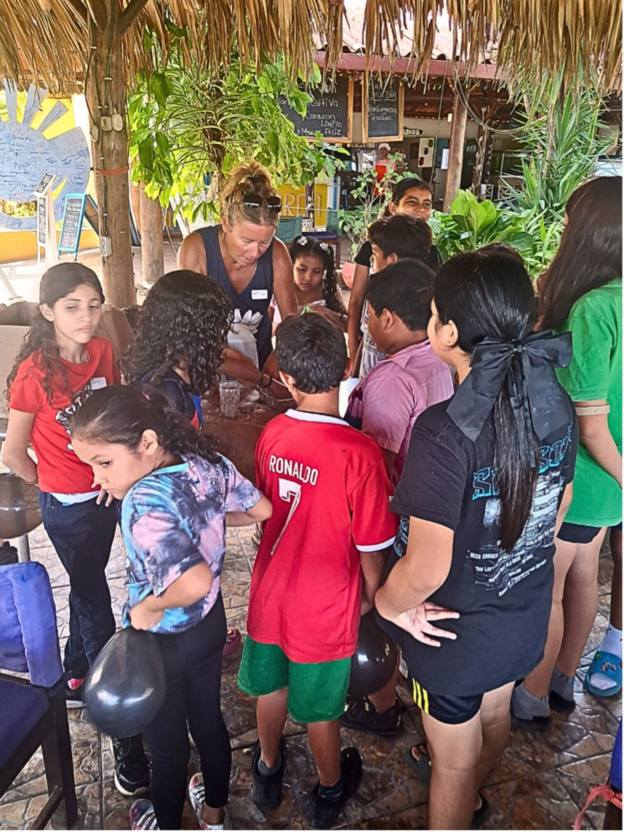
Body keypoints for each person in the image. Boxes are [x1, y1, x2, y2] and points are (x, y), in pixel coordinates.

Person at [375, 248, 578, 830]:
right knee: (496, 714)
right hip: (522, 622)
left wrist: (389, 606)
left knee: (452, 768)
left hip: (453, 638)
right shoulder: (555, 403)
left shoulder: (443, 432)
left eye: (435, 314)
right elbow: (557, 507)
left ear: (449, 333)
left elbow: (426, 571)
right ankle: (475, 797)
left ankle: (462, 802)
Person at [70, 385, 272, 832]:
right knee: (208, 721)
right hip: (210, 623)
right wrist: (211, 523)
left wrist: (149, 607)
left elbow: (192, 579)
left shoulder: (144, 503)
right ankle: (215, 818)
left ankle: (166, 824)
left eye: (103, 464)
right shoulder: (203, 461)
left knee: (166, 750)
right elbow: (261, 509)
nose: (96, 479)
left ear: (146, 443)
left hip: (161, 643)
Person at [237, 314, 398, 829]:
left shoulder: (273, 433)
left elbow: (268, 507)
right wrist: (375, 595)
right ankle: (330, 790)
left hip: (270, 591)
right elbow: (372, 545)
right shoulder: (361, 452)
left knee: (271, 689)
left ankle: (267, 769)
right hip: (325, 605)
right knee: (321, 708)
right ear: (348, 365)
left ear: (285, 377)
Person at [2, 263, 150, 797]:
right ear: (47, 312)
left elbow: (115, 415)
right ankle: (124, 736)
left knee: (91, 589)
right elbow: (13, 453)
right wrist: (57, 483)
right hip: (67, 507)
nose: (87, 317)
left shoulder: (103, 353)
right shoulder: (33, 375)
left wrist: (112, 472)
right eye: (72, 307)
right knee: (93, 600)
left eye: (94, 304)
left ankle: (73, 671)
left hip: (108, 493)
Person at [512, 177, 622, 726]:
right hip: (605, 491)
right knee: (582, 576)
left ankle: (531, 695)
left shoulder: (593, 309)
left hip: (579, 476)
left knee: (547, 590)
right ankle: (561, 681)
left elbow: (591, 419)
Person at [341, 260, 454, 740]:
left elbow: (376, 466)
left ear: (387, 318)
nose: (365, 325)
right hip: (437, 508)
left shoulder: (392, 379)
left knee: (380, 601)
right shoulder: (444, 359)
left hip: (397, 514)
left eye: (368, 315)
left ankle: (382, 704)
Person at [123, 270, 249, 656]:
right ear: (192, 328)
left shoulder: (173, 372)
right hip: (173, 517)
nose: (219, 336)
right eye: (214, 326)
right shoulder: (163, 390)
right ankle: (195, 640)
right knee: (186, 591)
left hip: (186, 511)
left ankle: (206, 631)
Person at [178, 161, 297, 369]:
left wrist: (274, 364)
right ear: (225, 223)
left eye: (264, 243)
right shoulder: (197, 249)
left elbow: (291, 323)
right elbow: (189, 328)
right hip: (207, 367)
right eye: (246, 241)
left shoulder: (277, 254)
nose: (254, 253)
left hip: (260, 366)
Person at [347, 176, 442, 367]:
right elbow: (357, 299)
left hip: (412, 348)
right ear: (393, 207)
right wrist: (352, 343)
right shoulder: (374, 246)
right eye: (412, 202)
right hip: (373, 340)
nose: (420, 210)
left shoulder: (430, 252)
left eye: (426, 204)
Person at [357, 213, 434, 378]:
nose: (371, 258)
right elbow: (367, 338)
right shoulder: (377, 289)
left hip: (386, 386)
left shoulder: (381, 297)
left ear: (392, 259)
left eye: (375, 254)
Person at [270, 236, 347, 331]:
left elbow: (348, 326)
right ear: (291, 265)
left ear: (324, 272)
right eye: (302, 269)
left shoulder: (329, 289)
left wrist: (326, 313)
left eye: (316, 271)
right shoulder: (278, 290)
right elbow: (265, 330)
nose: (308, 277)